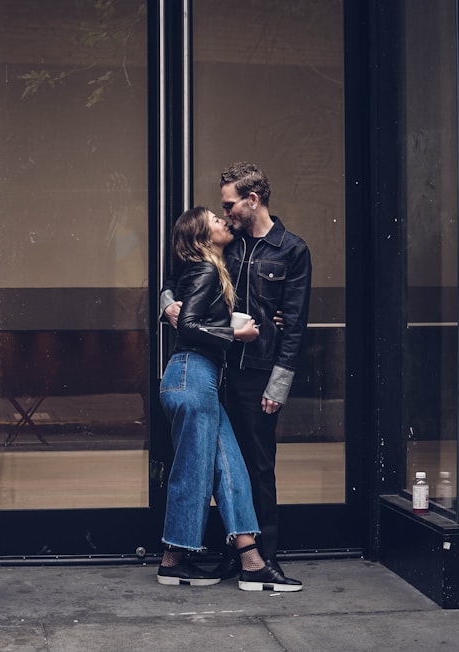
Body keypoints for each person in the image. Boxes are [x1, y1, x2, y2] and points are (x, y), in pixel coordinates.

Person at [162, 163, 311, 584]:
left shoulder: (291, 250)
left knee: (256, 466)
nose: (225, 214)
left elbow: (295, 324)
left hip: (257, 374)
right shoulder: (226, 245)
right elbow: (181, 279)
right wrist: (166, 304)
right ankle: (238, 557)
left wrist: (279, 383)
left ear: (253, 200)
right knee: (221, 463)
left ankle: (263, 556)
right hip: (212, 371)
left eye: (229, 205)